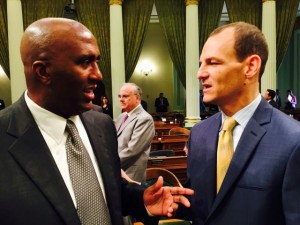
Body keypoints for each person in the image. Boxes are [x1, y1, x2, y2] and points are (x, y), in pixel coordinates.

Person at [0, 18, 194, 225]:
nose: (98, 75)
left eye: (97, 62)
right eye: (85, 62)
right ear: (43, 71)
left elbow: (107, 188)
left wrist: (140, 199)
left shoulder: (100, 124)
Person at [177, 22, 300, 225]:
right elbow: (204, 205)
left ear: (250, 67)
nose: (200, 73)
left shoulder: (293, 141)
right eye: (201, 63)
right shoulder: (199, 134)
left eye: (213, 63)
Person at [115, 83, 154, 182]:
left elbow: (132, 151)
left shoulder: (145, 119)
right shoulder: (121, 117)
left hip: (131, 173)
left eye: (125, 96)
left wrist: (110, 163)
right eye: (120, 96)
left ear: (137, 98)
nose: (121, 99)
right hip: (117, 171)